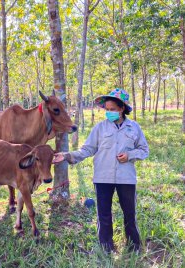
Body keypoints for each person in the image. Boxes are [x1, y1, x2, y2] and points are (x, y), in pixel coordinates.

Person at [53, 88, 149, 253]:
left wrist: (130, 155)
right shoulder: (100, 128)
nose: (109, 113)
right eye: (107, 110)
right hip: (102, 178)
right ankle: (106, 248)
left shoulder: (134, 128)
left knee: (129, 214)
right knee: (103, 215)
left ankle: (134, 247)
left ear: (122, 109)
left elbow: (144, 150)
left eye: (113, 110)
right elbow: (86, 150)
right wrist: (67, 155)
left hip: (126, 178)